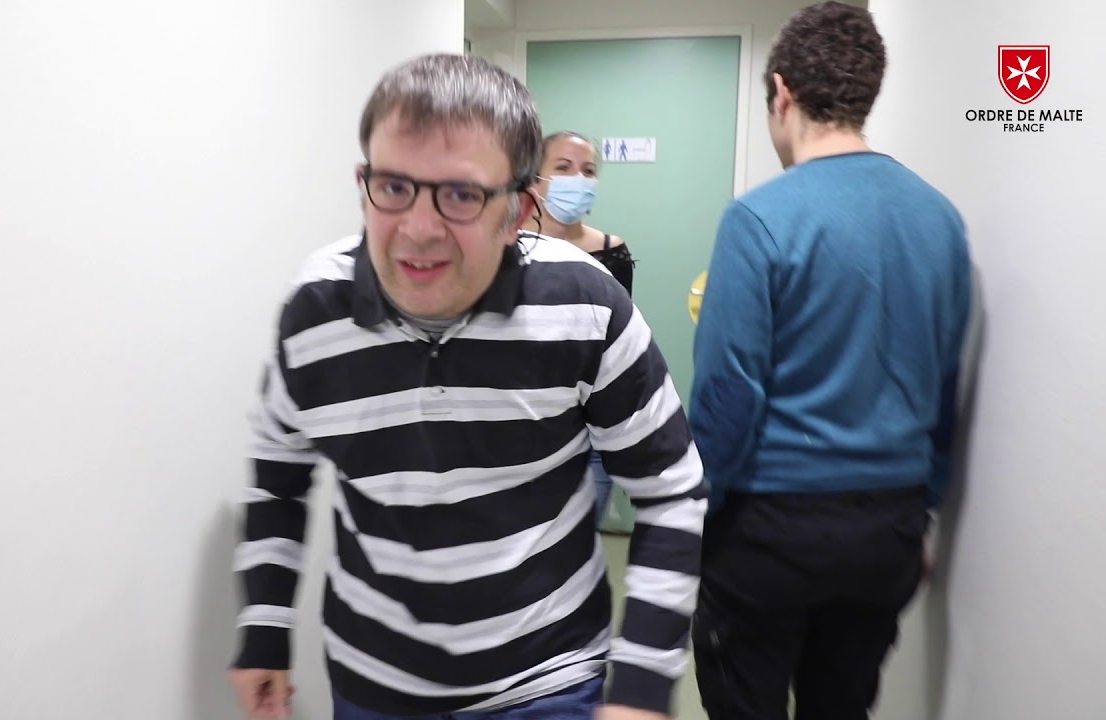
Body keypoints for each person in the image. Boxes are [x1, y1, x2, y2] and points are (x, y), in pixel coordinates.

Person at [228, 53, 708, 720]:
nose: (418, 229)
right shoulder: (315, 311)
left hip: (547, 683)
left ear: (517, 213)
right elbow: (276, 480)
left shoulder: (585, 304)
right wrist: (265, 627)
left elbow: (671, 490)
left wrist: (642, 686)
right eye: (394, 186)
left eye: (461, 195)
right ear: (364, 184)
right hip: (374, 686)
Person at [686, 3, 973, 719]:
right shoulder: (941, 220)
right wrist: (919, 512)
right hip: (886, 532)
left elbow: (728, 397)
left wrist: (691, 512)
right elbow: (944, 389)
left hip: (769, 534)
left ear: (782, 94)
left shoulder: (757, 219)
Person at [524, 130, 637, 526]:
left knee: (579, 545)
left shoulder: (611, 251)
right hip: (521, 428)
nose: (578, 179)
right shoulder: (506, 250)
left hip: (591, 434)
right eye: (563, 168)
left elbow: (617, 349)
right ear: (535, 179)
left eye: (588, 171)